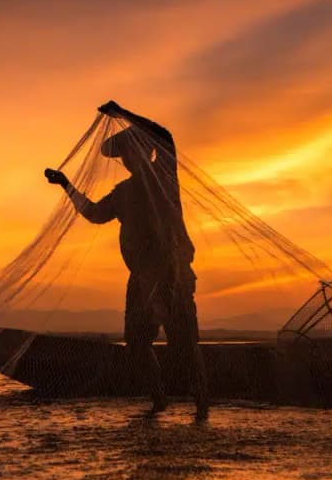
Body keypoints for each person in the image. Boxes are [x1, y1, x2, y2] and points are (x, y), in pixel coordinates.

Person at [44, 101, 209, 419]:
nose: (128, 160)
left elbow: (165, 136)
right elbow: (93, 213)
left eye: (134, 153)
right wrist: (66, 184)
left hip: (173, 274)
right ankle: (158, 400)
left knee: (184, 342)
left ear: (147, 153)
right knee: (136, 342)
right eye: (124, 157)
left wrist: (123, 114)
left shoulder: (164, 177)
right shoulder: (123, 193)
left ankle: (201, 404)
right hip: (141, 279)